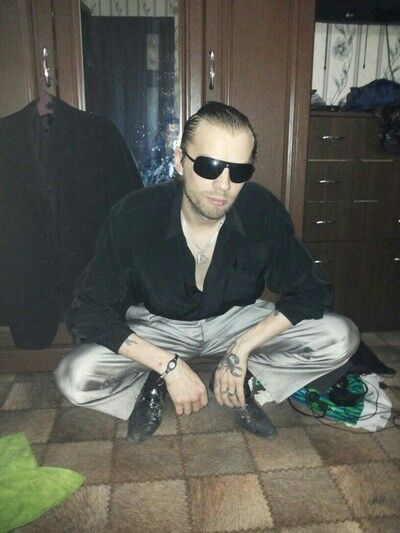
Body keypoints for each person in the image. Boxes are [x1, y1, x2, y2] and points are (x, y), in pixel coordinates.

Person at [54, 101, 360, 443]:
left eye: (239, 172)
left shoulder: (262, 210)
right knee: (75, 377)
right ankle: (153, 383)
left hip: (235, 321)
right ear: (179, 160)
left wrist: (243, 347)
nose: (223, 185)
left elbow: (313, 292)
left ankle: (247, 382)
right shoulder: (134, 215)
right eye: (209, 166)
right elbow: (86, 310)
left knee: (340, 336)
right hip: (159, 326)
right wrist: (166, 364)